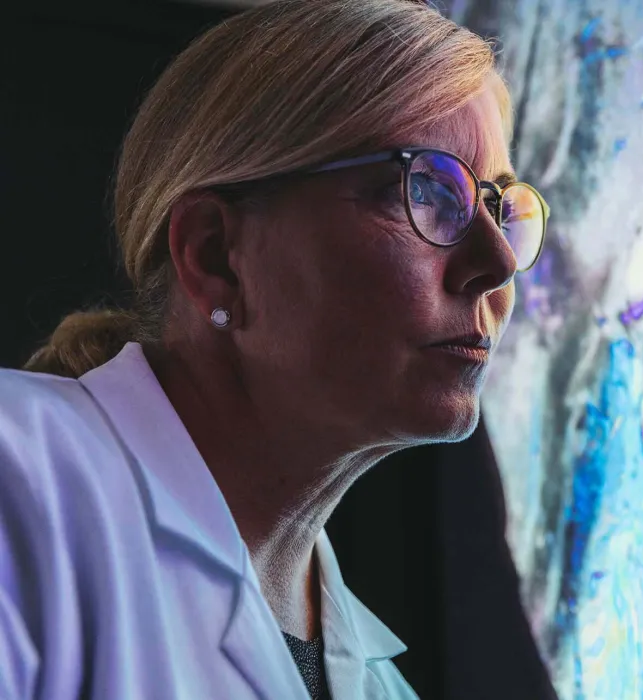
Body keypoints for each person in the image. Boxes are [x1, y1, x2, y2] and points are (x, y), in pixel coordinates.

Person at [0, 0, 548, 697]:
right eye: (429, 191)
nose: (498, 264)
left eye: (501, 208)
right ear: (216, 255)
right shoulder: (19, 479)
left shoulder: (380, 686)